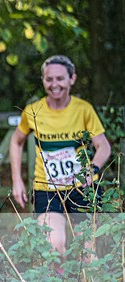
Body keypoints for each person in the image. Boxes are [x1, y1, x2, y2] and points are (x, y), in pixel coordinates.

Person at [9, 54, 111, 255]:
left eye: (60, 78)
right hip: (47, 190)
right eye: (49, 79)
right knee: (53, 245)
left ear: (71, 79)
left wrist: (92, 169)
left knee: (88, 250)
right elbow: (16, 140)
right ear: (43, 81)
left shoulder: (84, 110)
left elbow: (103, 146)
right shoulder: (33, 111)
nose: (55, 84)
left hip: (83, 187)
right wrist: (16, 180)